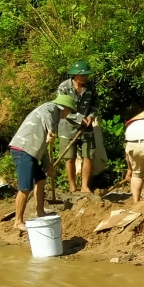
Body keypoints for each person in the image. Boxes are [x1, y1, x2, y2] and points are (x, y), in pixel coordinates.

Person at [8, 92, 80, 234]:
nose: (68, 114)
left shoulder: (54, 118)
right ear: (64, 108)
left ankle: (40, 211)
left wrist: (48, 166)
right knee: (25, 187)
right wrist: (51, 130)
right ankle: (18, 221)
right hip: (23, 149)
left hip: (32, 152)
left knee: (41, 179)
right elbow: (44, 111)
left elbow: (44, 147)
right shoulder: (51, 108)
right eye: (69, 111)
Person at [56, 63, 107, 194]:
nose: (85, 77)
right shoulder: (64, 87)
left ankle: (85, 186)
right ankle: (72, 186)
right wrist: (79, 118)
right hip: (67, 127)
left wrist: (91, 116)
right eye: (82, 75)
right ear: (75, 75)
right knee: (70, 157)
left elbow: (96, 103)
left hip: (87, 127)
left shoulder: (90, 87)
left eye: (86, 75)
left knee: (88, 155)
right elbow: (62, 108)